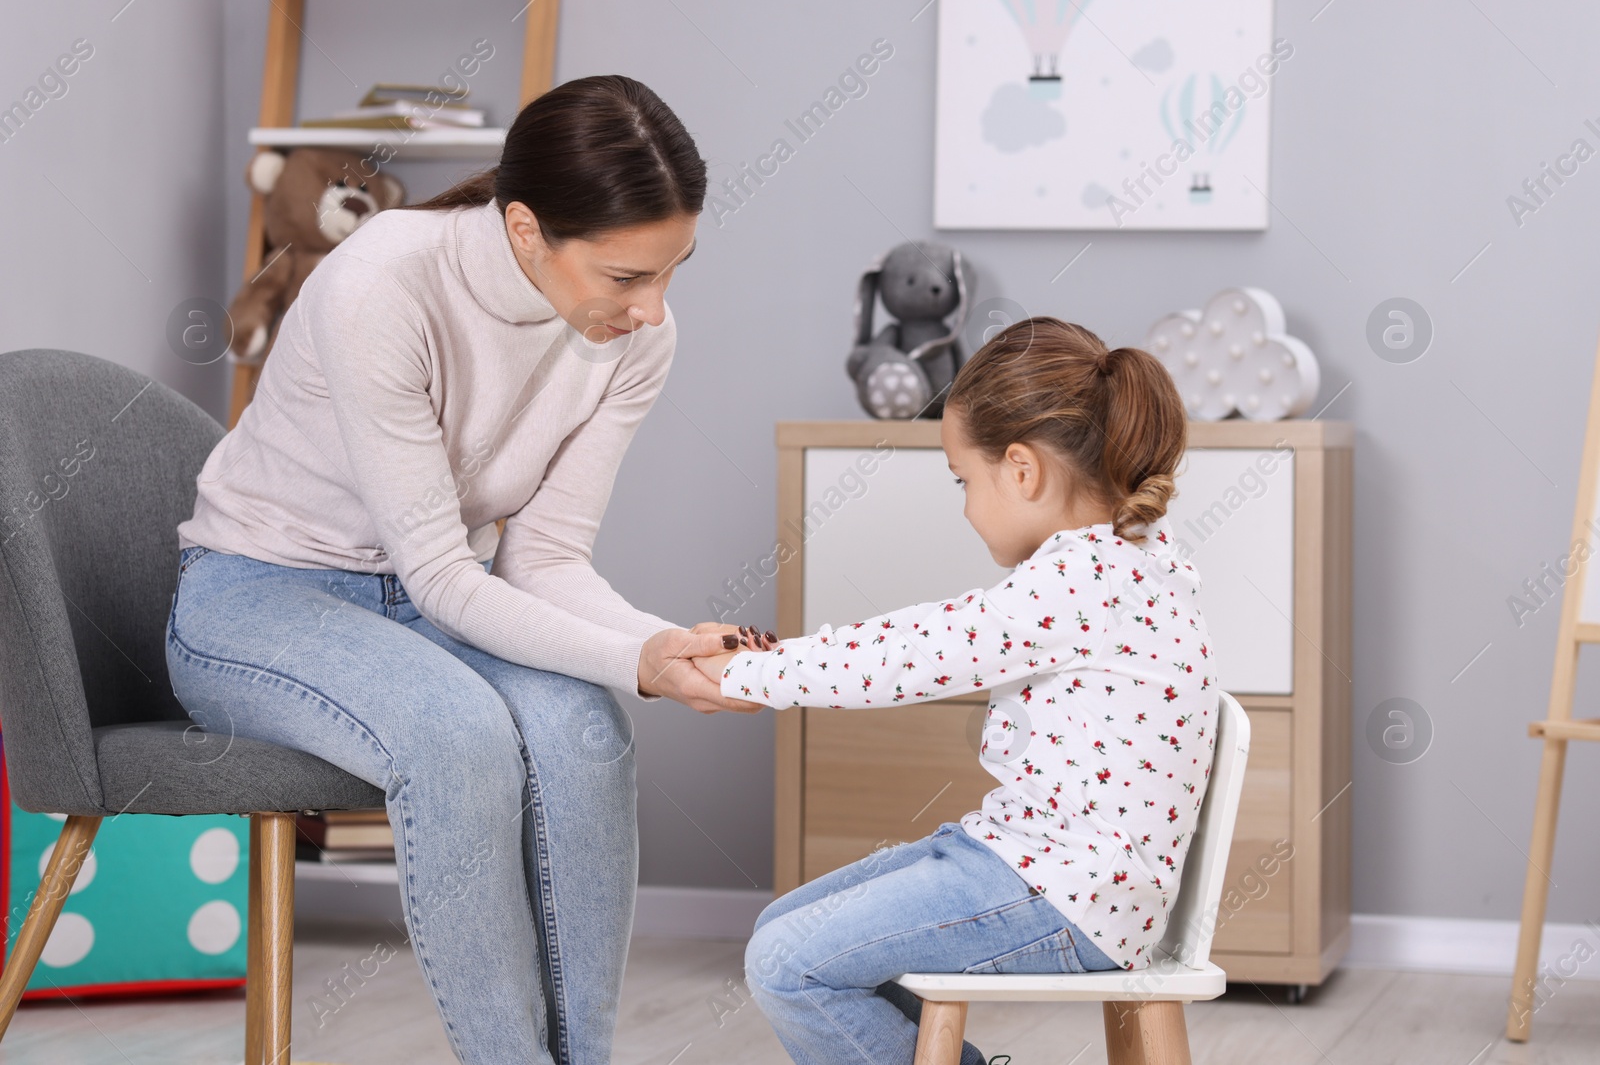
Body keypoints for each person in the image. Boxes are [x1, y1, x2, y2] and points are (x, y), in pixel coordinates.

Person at [164, 75, 768, 1065]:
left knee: (585, 724)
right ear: (526, 229)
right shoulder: (382, 283)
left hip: (428, 603)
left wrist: (653, 646)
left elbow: (543, 559)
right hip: (258, 596)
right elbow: (446, 575)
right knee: (456, 734)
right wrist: (640, 657)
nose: (653, 310)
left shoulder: (634, 340)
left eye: (672, 269)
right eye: (625, 276)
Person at [695, 317, 1220, 1065]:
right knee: (787, 924)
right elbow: (928, 637)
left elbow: (917, 652)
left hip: (1063, 892)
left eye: (962, 480)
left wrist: (754, 674)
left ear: (1022, 469)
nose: (966, 504)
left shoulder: (1082, 578)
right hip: (1045, 867)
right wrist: (780, 659)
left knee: (789, 962)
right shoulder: (1132, 561)